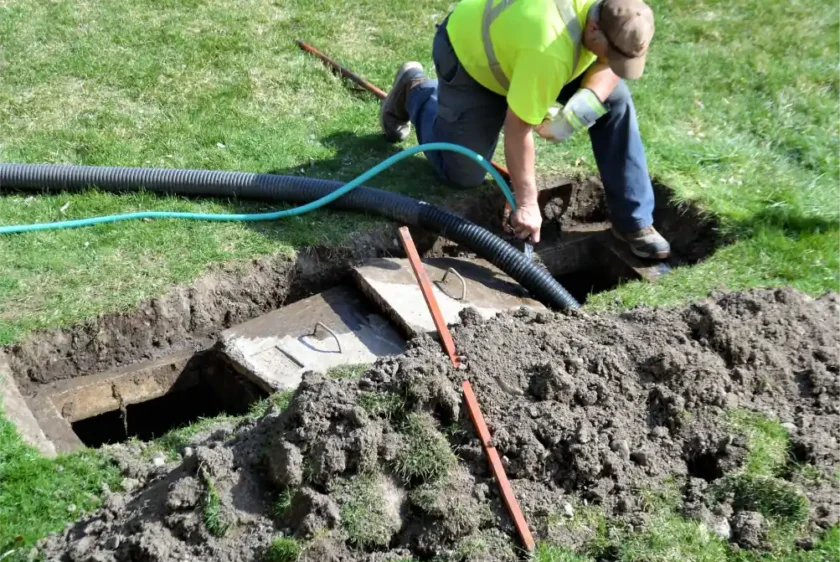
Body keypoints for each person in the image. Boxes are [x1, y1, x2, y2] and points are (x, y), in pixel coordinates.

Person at [379, 0, 670, 259]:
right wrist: (528, 204)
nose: (618, 63)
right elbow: (517, 130)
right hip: (472, 59)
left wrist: (580, 110)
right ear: (594, 28)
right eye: (614, 54)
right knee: (463, 174)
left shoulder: (614, 15)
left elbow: (610, 69)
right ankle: (415, 90)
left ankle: (634, 220)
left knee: (615, 101)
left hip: (522, 51)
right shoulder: (548, 49)